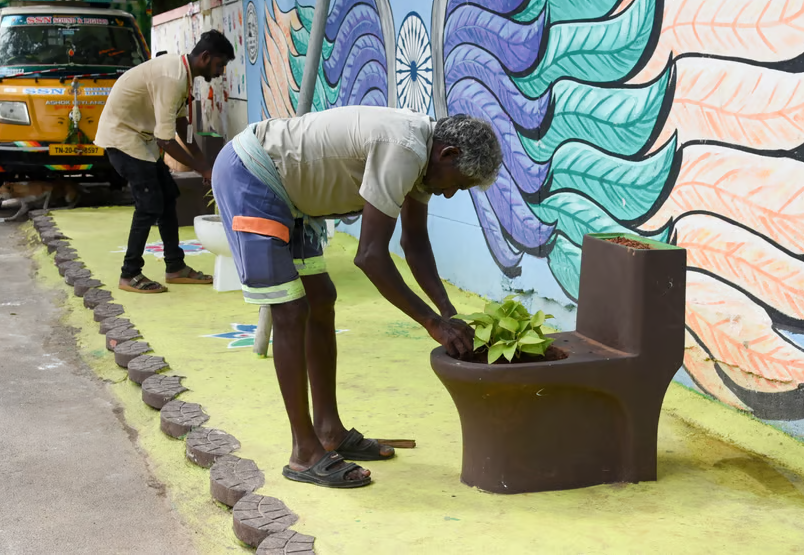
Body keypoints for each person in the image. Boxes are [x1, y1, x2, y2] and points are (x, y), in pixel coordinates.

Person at [211, 106, 503, 488]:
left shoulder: (425, 158)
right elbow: (370, 256)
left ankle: (329, 430)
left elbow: (414, 244)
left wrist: (448, 312)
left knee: (321, 299)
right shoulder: (406, 149)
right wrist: (432, 324)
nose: (449, 194)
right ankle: (304, 453)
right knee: (291, 310)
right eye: (456, 184)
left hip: (293, 198)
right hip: (253, 175)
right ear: (447, 155)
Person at [95, 30, 236, 293]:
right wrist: (201, 167)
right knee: (149, 204)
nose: (220, 72)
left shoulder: (183, 74)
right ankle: (130, 274)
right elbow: (166, 141)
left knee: (168, 195)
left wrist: (206, 165)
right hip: (123, 138)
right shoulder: (172, 77)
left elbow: (183, 127)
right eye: (220, 65)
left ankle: (175, 267)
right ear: (205, 57)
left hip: (140, 139)